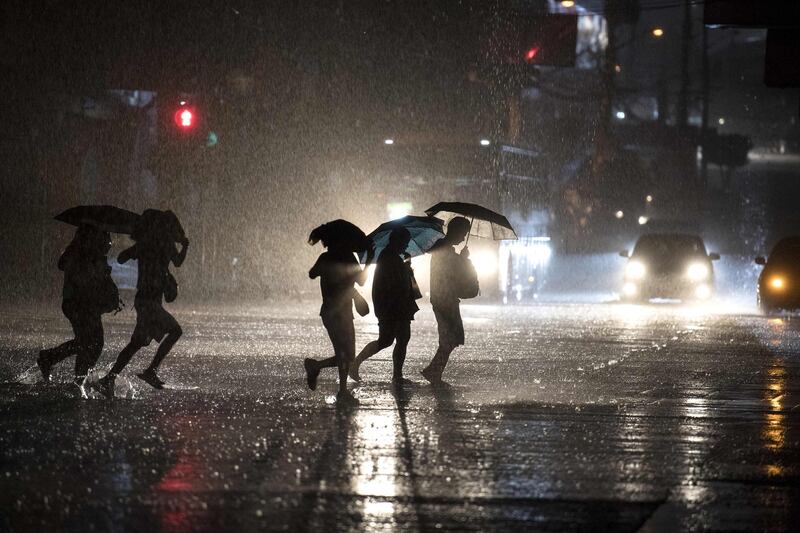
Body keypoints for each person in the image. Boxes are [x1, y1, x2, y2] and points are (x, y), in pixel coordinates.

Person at [99, 210, 188, 398]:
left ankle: (109, 378)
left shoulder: (147, 244)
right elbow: (178, 261)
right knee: (175, 331)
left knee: (136, 343)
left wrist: (136, 253)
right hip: (150, 302)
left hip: (146, 300)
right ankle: (151, 371)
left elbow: (122, 257)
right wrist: (185, 246)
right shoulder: (165, 244)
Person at [37, 224, 118, 397]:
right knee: (90, 342)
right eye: (105, 237)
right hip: (79, 304)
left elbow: (101, 280)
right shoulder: (80, 254)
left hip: (86, 304)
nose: (109, 242)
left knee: (89, 342)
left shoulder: (92, 255)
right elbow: (80, 277)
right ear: (91, 237)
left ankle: (56, 362)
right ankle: (78, 379)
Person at [303, 233, 371, 403]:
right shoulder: (348, 258)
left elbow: (312, 274)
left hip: (331, 311)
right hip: (340, 312)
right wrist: (368, 263)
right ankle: (341, 390)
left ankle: (316, 367)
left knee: (346, 354)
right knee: (346, 354)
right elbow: (361, 281)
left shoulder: (326, 257)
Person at [350, 227, 419, 384]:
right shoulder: (389, 258)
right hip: (393, 306)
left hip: (393, 305)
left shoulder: (391, 256)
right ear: (396, 241)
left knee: (394, 339)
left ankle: (394, 374)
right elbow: (395, 282)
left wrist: (406, 265)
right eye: (405, 242)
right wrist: (406, 267)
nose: (406, 246)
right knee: (393, 339)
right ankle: (395, 375)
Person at [421, 217, 477, 385]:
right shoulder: (444, 249)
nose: (463, 238)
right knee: (451, 337)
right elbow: (450, 272)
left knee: (451, 337)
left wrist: (461, 258)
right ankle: (433, 371)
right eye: (463, 234)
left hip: (444, 297)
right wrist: (463, 259)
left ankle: (434, 370)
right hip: (444, 298)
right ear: (457, 232)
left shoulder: (443, 248)